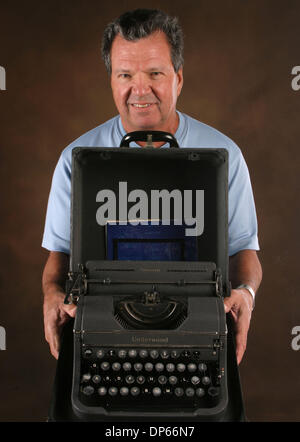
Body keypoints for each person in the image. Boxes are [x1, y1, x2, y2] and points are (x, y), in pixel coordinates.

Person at [42, 9, 262, 364]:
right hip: (101, 329)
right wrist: (51, 294)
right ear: (111, 80)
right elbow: (59, 256)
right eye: (125, 74)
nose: (139, 89)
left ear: (178, 79)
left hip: (197, 330)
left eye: (155, 74)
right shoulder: (74, 159)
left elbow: (244, 252)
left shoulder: (226, 156)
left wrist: (246, 294)